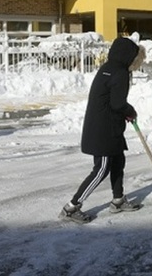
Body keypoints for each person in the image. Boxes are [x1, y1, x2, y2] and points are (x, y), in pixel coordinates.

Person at [59, 37, 146, 223]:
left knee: (118, 162)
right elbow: (117, 103)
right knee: (102, 169)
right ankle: (71, 208)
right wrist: (130, 111)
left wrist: (124, 113)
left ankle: (118, 200)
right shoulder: (120, 73)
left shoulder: (107, 68)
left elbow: (111, 100)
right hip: (105, 130)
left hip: (104, 125)